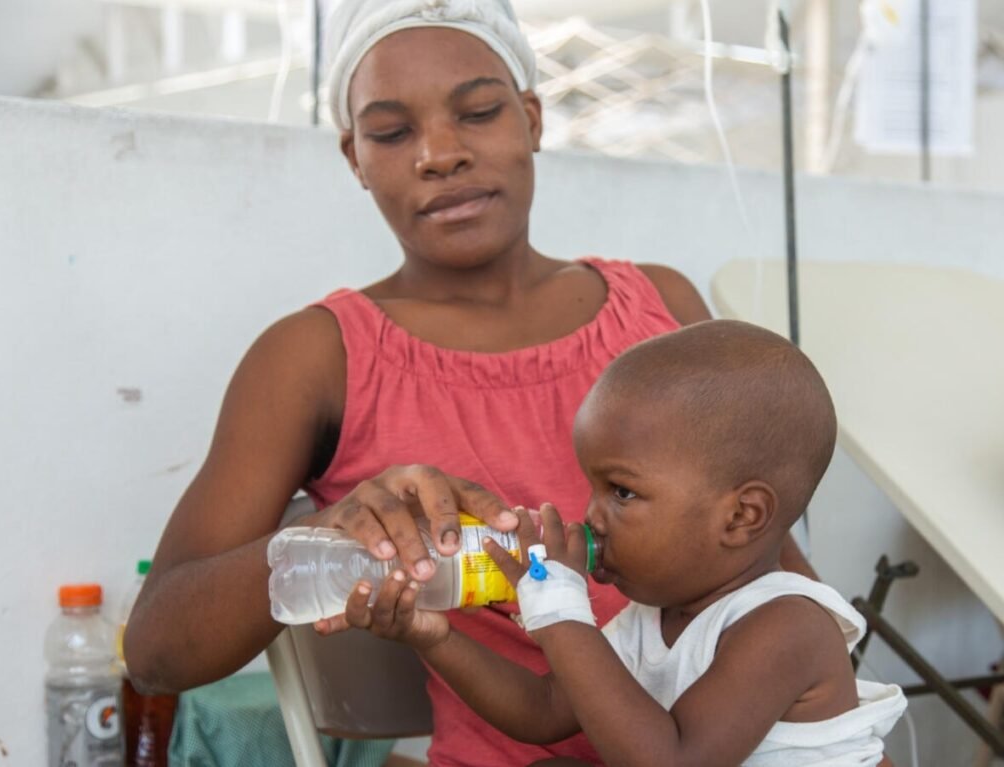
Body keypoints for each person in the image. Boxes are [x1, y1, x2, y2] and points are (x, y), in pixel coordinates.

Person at [123, 1, 814, 764]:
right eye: (392, 132)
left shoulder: (660, 311)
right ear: (355, 159)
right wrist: (333, 532)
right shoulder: (315, 359)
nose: (441, 154)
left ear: (531, 120)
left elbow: (775, 572)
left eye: (479, 112)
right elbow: (157, 649)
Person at [346, 320, 907, 766]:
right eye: (593, 489)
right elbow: (543, 710)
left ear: (741, 516)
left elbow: (672, 761)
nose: (591, 515)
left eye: (622, 492)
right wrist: (436, 639)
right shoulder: (653, 619)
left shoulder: (788, 625)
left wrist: (559, 610)